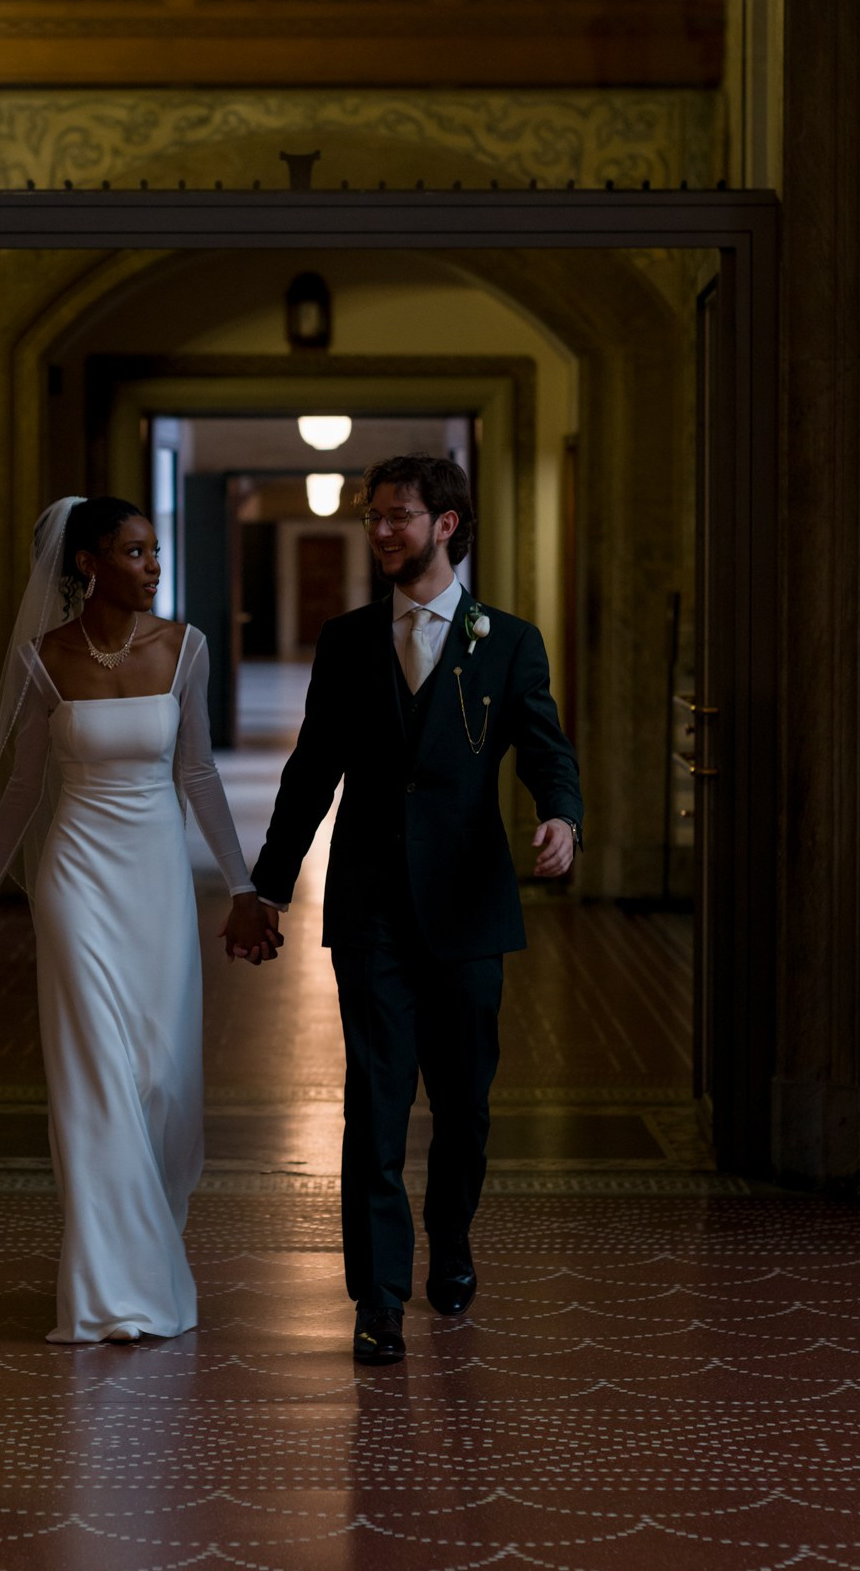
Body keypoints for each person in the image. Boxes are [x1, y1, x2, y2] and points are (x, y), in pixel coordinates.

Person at [231, 454, 583, 1366]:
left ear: (447, 524)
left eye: (398, 516)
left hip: (469, 909)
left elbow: (547, 749)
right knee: (377, 1104)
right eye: (373, 516)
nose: (381, 531)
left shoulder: (507, 641)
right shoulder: (347, 640)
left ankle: (453, 1244)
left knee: (464, 1108)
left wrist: (562, 818)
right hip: (372, 907)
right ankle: (379, 1296)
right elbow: (311, 772)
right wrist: (267, 886)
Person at [0, 495, 279, 1345]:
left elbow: (198, 774)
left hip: (158, 879)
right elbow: (23, 789)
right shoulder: (41, 659)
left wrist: (244, 887)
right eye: (135, 552)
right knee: (95, 1080)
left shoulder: (186, 648)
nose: (153, 567)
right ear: (88, 562)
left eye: (156, 551)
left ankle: (151, 1243)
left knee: (164, 1080)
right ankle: (107, 1292)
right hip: (75, 881)